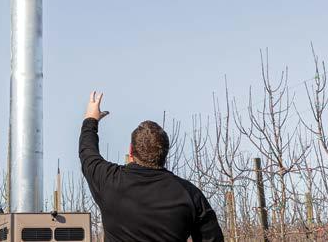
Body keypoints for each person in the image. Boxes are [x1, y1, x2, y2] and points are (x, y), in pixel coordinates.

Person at [79, 91, 224, 242]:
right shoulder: (190, 194)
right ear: (165, 153)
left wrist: (91, 120)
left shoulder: (109, 181)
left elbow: (87, 154)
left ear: (131, 151)